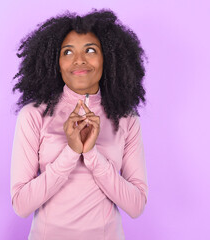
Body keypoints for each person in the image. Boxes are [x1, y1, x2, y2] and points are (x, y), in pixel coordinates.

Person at [10, 9, 149, 240]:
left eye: (91, 50)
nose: (79, 60)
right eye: (67, 52)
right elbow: (21, 205)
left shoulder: (126, 119)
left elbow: (136, 206)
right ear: (55, 61)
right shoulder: (33, 115)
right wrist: (71, 152)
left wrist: (92, 154)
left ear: (109, 58)